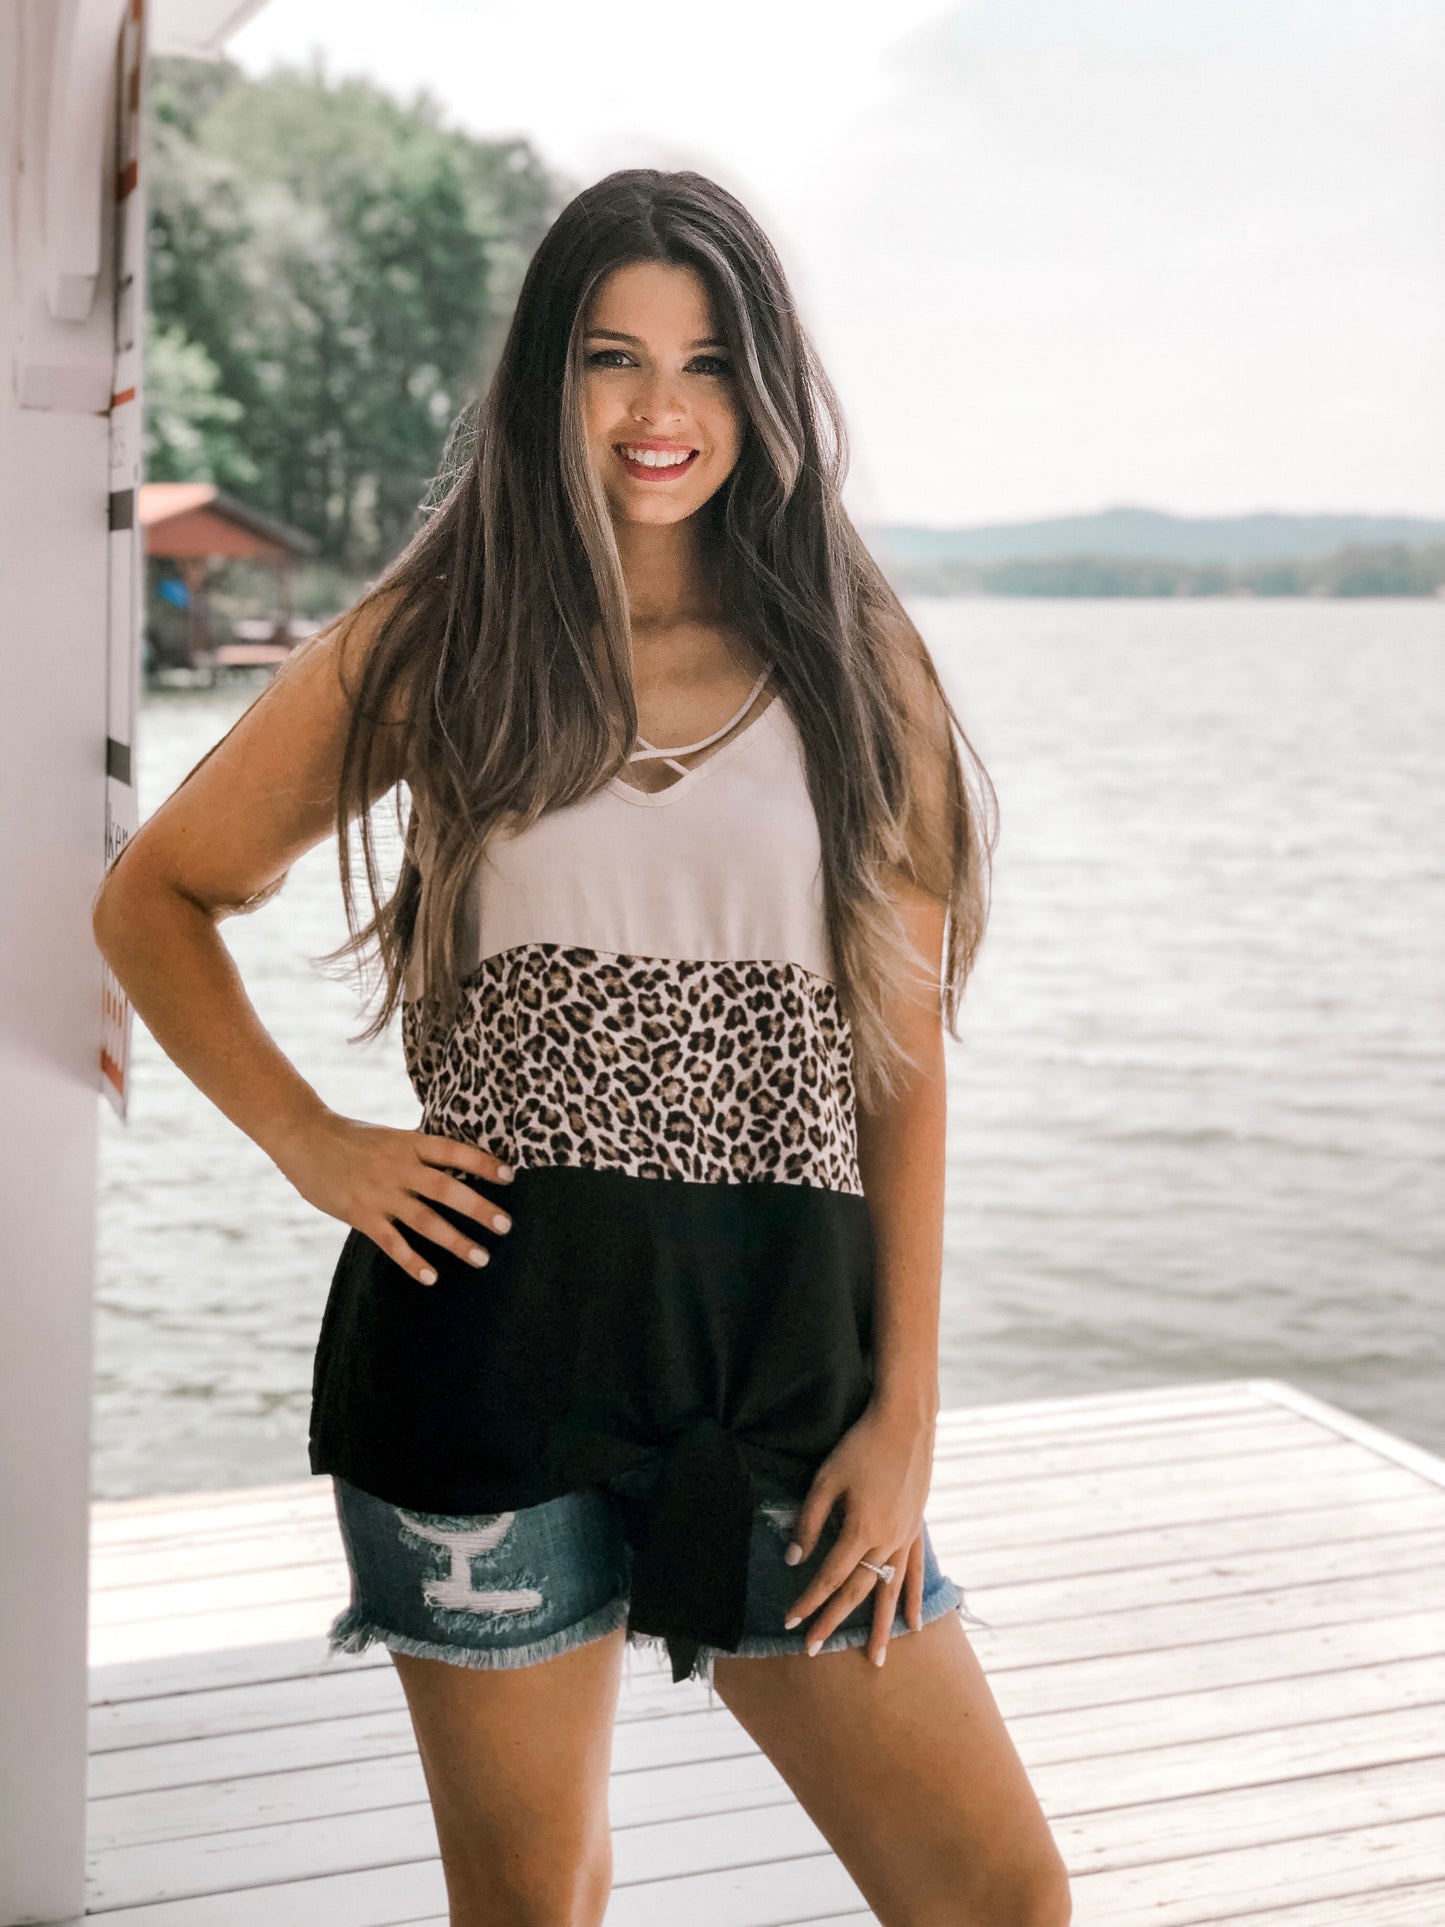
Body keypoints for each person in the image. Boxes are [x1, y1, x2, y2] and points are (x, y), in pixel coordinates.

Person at [93, 170, 1072, 1927]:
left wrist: (906, 1407)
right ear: (546, 379)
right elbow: (160, 894)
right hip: (484, 1351)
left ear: (762, 392)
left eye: (704, 366)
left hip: (780, 1362)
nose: (655, 411)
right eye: (612, 358)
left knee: (994, 1895)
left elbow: (902, 1066)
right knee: (532, 1903)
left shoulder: (855, 665)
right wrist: (318, 1142)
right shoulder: (441, 639)